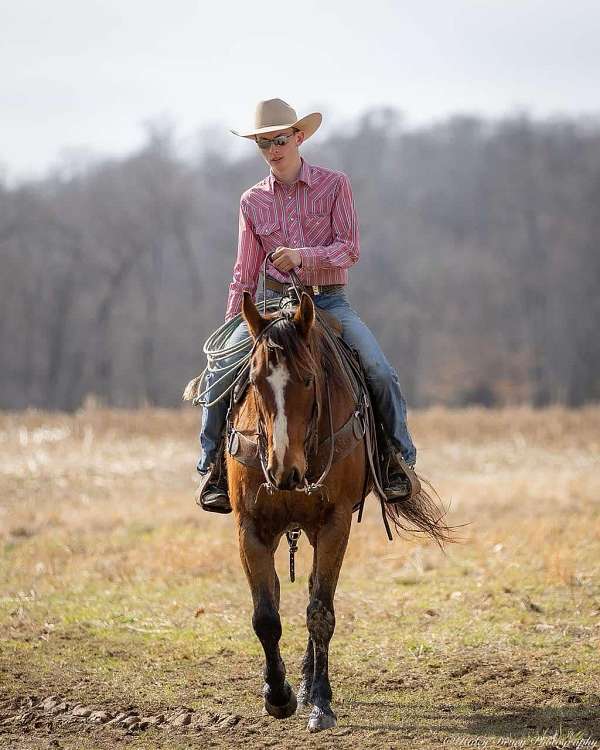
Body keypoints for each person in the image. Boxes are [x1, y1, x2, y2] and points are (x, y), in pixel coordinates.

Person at [196, 98, 419, 513]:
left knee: (378, 370)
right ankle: (212, 470)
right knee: (218, 375)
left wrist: (303, 256)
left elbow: (350, 249)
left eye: (279, 140)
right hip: (270, 304)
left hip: (328, 302)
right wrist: (234, 324)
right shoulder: (251, 201)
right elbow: (244, 272)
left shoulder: (335, 185)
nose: (273, 150)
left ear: (298, 137)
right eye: (264, 143)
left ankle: (397, 462)